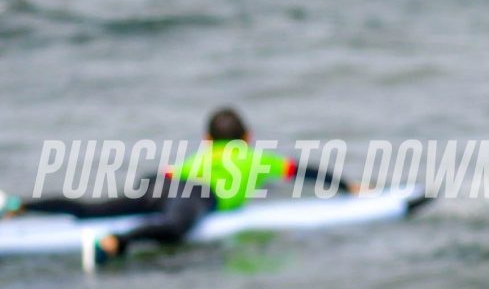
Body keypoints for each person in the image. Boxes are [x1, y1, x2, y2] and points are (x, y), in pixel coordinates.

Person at [4, 107, 359, 261]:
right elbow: (306, 171)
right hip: (195, 194)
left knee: (91, 208)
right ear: (248, 137)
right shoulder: (257, 158)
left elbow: (162, 175)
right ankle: (116, 243)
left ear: (207, 139)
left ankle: (19, 205)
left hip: (164, 185)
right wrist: (348, 187)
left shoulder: (200, 156)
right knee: (175, 228)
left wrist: (139, 194)